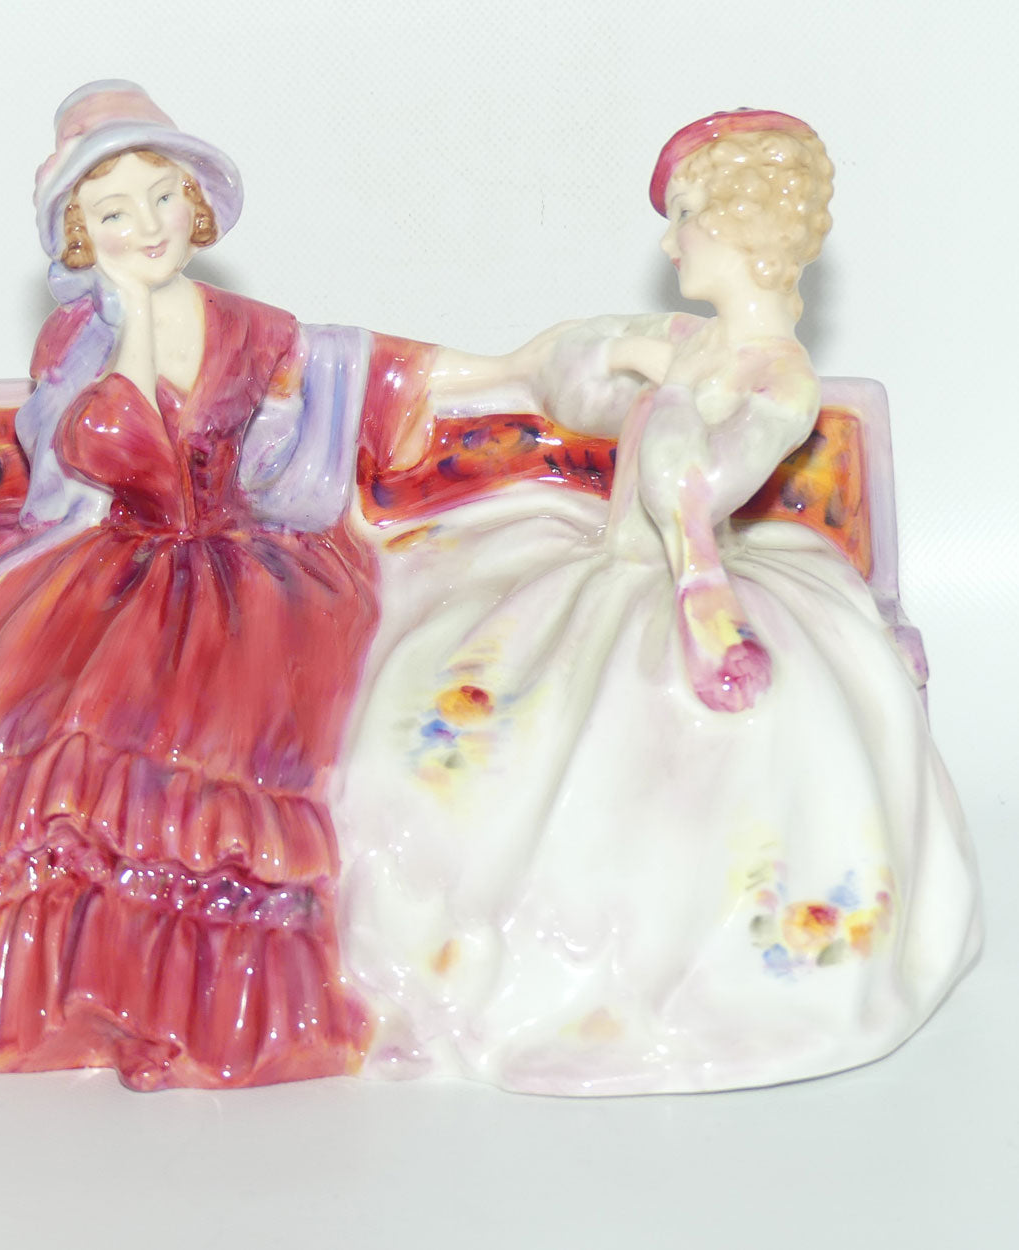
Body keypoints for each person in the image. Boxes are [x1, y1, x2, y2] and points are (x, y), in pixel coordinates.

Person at [336, 110, 982, 1094]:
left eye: (684, 217)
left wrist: (691, 533)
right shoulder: (688, 341)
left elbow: (700, 484)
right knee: (428, 698)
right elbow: (570, 370)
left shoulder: (778, 379)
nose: (670, 242)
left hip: (687, 582)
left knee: (664, 751)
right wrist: (557, 363)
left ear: (744, 228)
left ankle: (626, 970)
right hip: (608, 563)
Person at [0, 81, 415, 1090]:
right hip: (115, 557)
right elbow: (108, 442)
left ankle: (215, 995)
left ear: (195, 203)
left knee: (225, 739)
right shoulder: (74, 342)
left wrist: (528, 366)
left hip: (247, 571)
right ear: (82, 236)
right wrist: (127, 316)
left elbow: (372, 375)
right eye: (113, 213)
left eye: (162, 197)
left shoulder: (253, 327)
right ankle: (70, 977)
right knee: (50, 727)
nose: (148, 226)